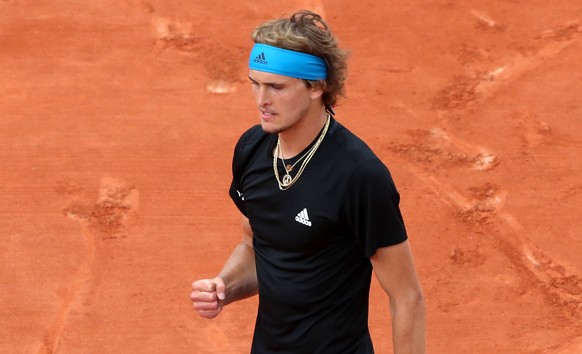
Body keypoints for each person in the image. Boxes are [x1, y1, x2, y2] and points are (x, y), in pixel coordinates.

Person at [191, 10, 425, 353]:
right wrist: (223, 285)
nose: (261, 101)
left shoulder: (359, 176)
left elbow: (407, 297)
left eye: (276, 87)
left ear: (316, 86)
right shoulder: (252, 149)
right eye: (255, 83)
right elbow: (255, 248)